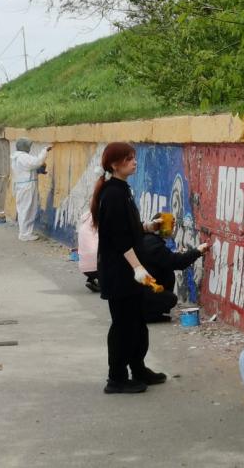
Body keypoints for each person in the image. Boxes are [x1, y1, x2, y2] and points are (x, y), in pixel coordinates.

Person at [90, 142, 166, 394]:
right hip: (119, 272)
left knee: (137, 322)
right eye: (128, 158)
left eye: (133, 157)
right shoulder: (112, 194)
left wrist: (148, 227)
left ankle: (138, 367)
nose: (134, 162)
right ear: (114, 164)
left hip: (128, 271)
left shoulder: (122, 190)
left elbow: (129, 227)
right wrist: (137, 267)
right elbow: (118, 237)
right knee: (122, 324)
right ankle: (117, 377)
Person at [137, 214, 210, 322]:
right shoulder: (152, 244)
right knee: (170, 299)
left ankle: (146, 313)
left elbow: (168, 259)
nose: (172, 228)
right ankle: (145, 315)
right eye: (170, 225)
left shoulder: (147, 239)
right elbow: (177, 262)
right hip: (141, 292)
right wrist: (198, 251)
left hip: (139, 289)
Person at [10, 138, 51, 241]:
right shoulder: (22, 157)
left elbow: (28, 169)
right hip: (26, 187)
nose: (29, 148)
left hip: (24, 186)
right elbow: (37, 162)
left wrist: (38, 171)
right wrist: (44, 151)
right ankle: (24, 233)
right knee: (27, 209)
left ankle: (25, 232)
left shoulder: (18, 157)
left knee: (26, 209)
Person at [78, 209, 101, 292]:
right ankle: (103, 283)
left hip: (83, 267)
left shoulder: (87, 218)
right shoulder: (101, 216)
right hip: (96, 267)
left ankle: (92, 279)